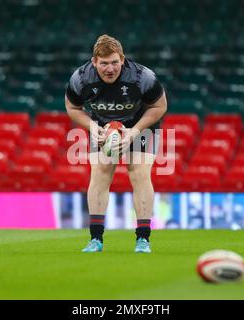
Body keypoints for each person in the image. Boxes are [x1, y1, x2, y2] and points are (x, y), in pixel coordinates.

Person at [65, 34, 167, 253]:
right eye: (103, 63)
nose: (109, 68)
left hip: (140, 125)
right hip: (102, 126)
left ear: (122, 59)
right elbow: (73, 108)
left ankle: (143, 239)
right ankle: (96, 239)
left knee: (139, 173)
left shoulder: (143, 77)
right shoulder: (81, 79)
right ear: (94, 62)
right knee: (100, 173)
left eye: (114, 62)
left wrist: (134, 131)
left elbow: (159, 107)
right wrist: (92, 127)